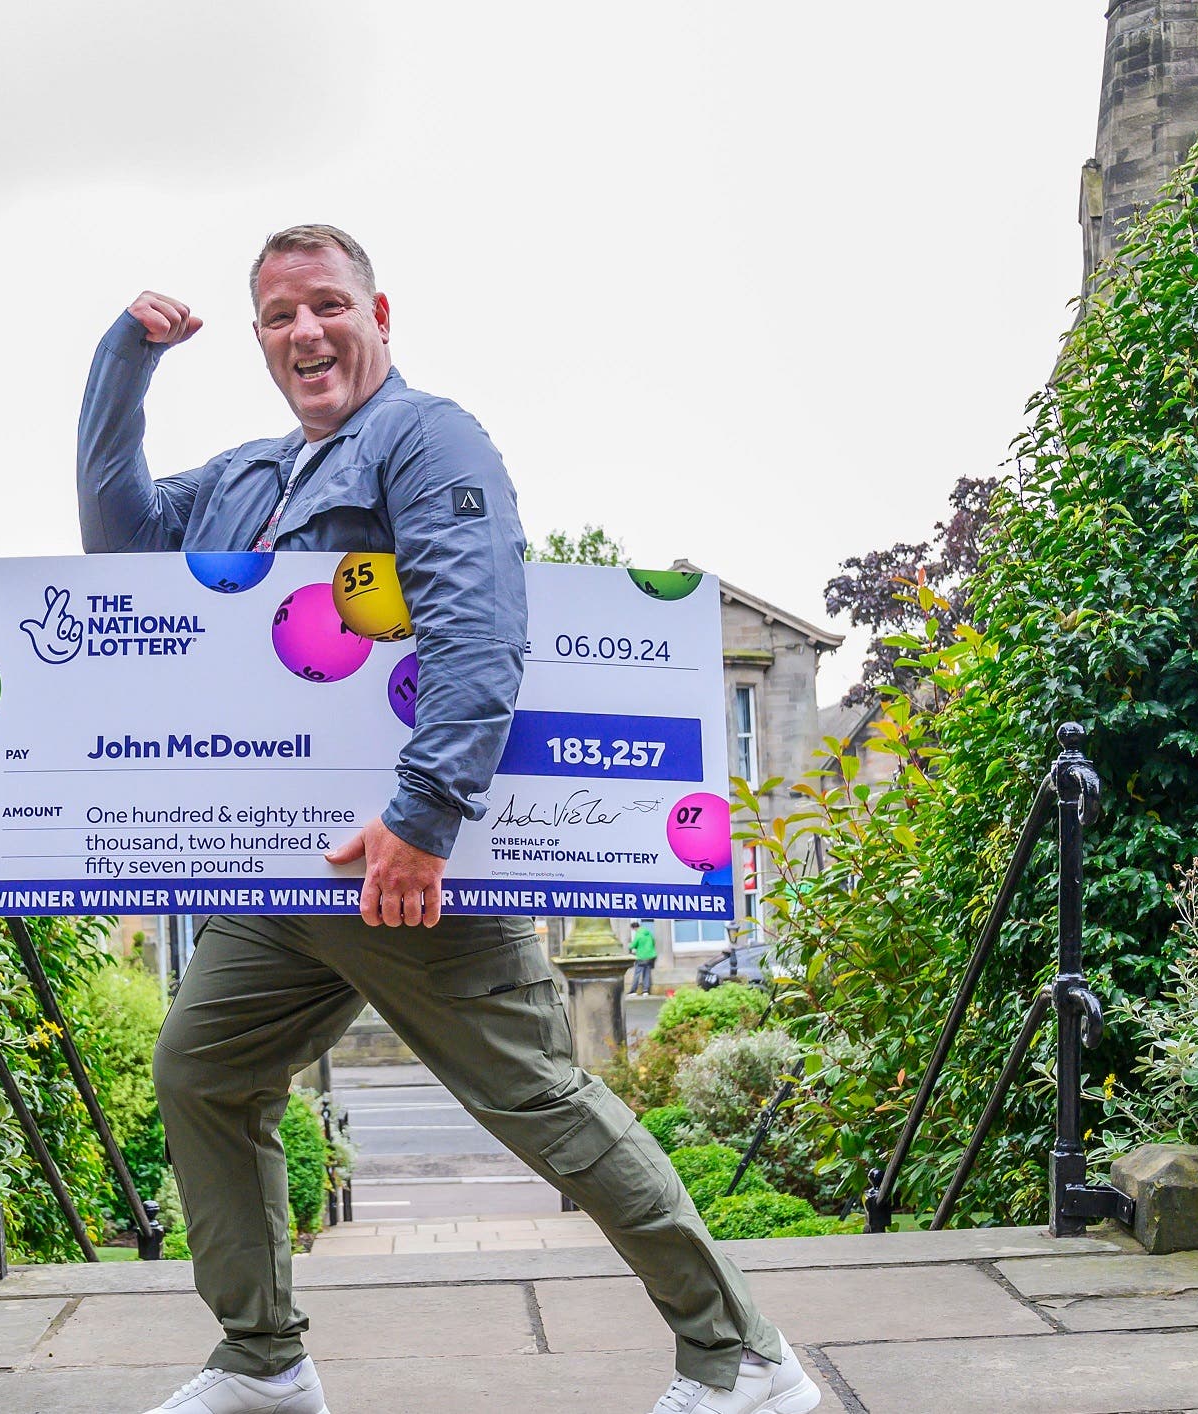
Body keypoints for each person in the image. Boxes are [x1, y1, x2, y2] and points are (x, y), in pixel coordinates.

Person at [76, 225, 818, 1414]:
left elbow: (480, 624)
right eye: (279, 316)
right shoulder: (251, 477)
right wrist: (124, 363)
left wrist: (425, 816)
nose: (305, 332)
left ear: (380, 315)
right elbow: (118, 550)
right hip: (276, 882)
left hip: (400, 865)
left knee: (535, 1099)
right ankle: (263, 1363)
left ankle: (746, 1359)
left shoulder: (426, 438)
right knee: (201, 1069)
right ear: (260, 337)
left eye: (327, 305)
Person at [631, 920, 659, 996]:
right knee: (647, 973)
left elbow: (633, 945)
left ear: (634, 928)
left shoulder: (638, 934)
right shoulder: (648, 932)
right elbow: (653, 941)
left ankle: (633, 991)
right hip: (650, 956)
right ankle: (645, 991)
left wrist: (629, 946)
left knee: (637, 973)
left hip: (641, 957)